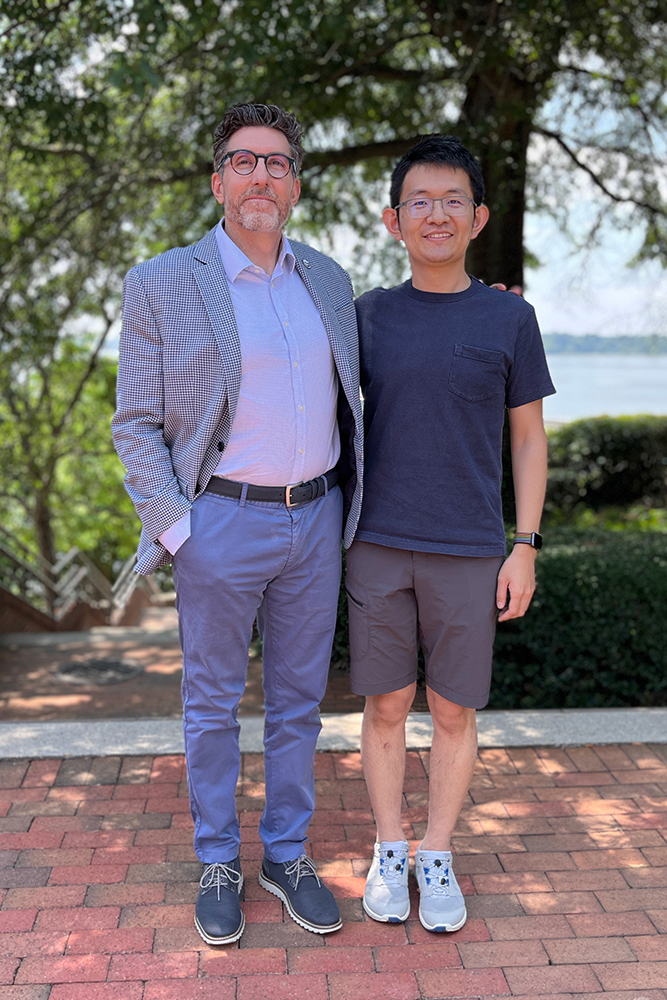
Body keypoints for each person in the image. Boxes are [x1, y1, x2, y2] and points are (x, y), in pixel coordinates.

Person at [112, 103, 363, 945]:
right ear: (217, 180)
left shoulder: (328, 279)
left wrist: (485, 304)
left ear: (294, 184)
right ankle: (218, 856)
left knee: (299, 704)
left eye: (278, 163)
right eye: (243, 161)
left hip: (316, 520)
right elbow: (134, 424)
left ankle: (284, 854)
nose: (262, 176)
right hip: (218, 522)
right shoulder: (161, 280)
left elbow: (376, 377)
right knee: (211, 703)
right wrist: (180, 531)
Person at [347, 135, 555, 933]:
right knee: (388, 703)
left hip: (471, 548)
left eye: (452, 201)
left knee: (455, 709)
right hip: (375, 542)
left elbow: (529, 438)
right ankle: (389, 846)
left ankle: (437, 851)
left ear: (477, 218)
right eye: (419, 203)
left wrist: (524, 544)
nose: (436, 214)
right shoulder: (364, 316)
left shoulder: (509, 316)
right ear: (394, 220)